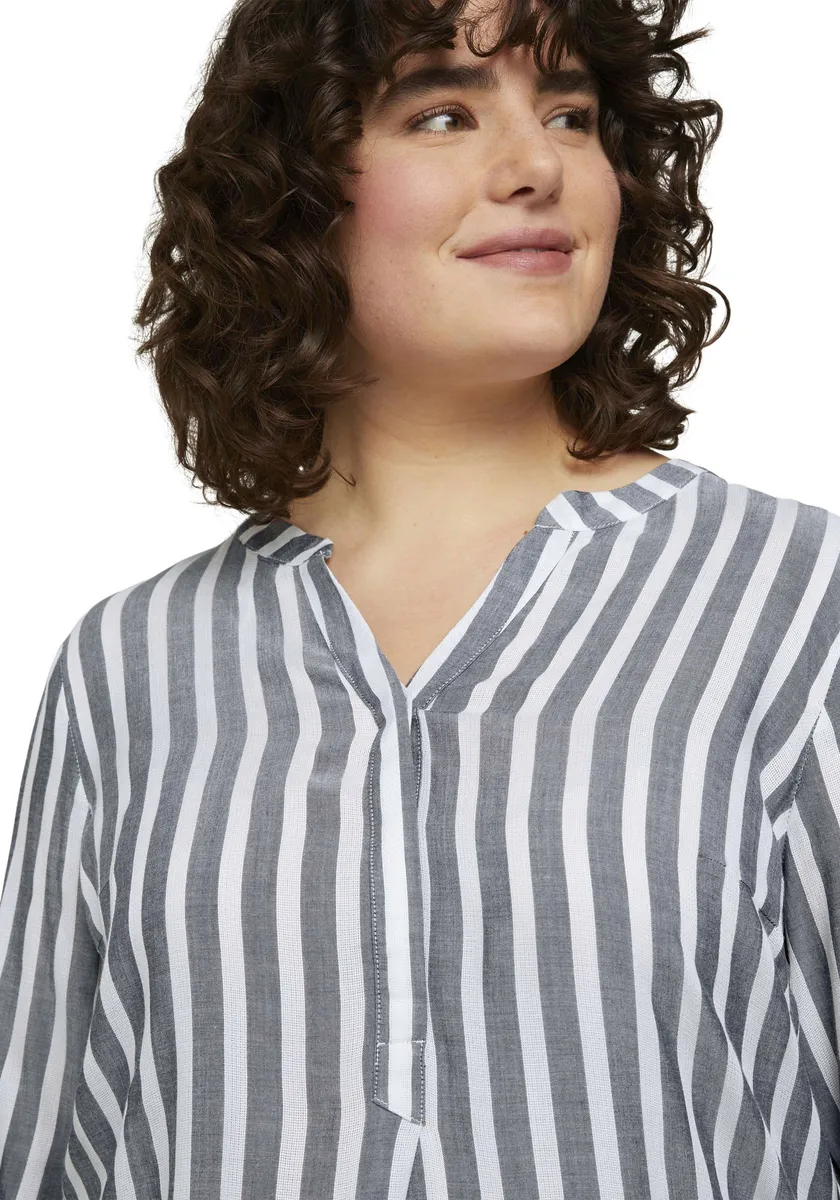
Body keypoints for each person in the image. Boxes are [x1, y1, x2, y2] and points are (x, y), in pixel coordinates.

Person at [1, 0, 838, 1195]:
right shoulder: (131, 670)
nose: (538, 165)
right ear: (291, 192)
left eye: (573, 116)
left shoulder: (797, 607)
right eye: (443, 112)